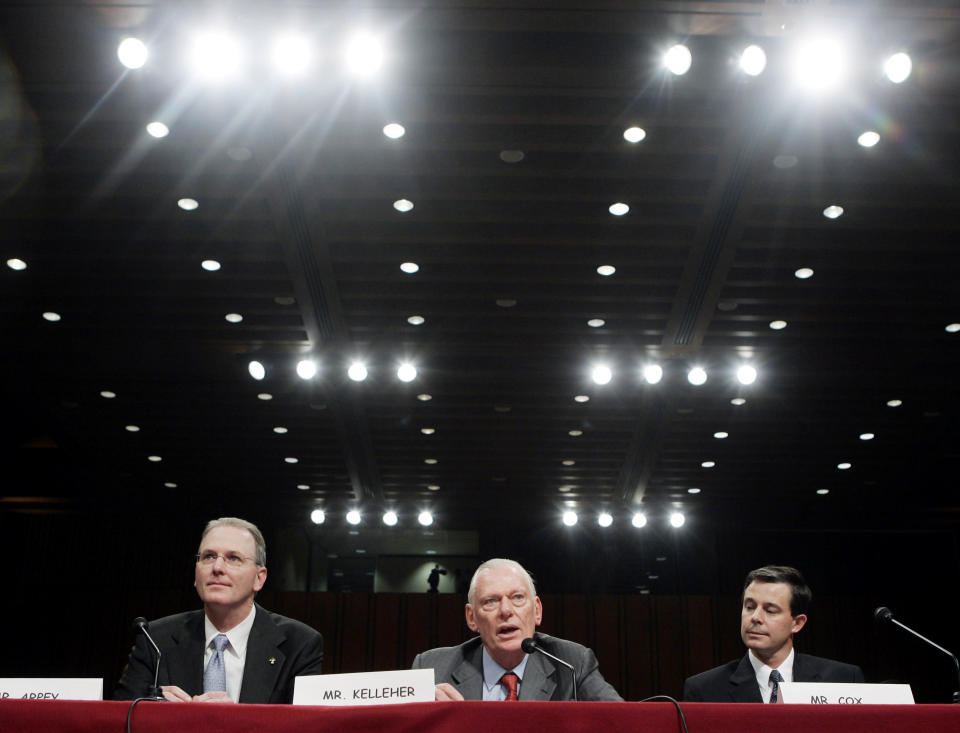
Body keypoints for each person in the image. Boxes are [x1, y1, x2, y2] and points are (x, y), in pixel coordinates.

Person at [114, 517, 323, 703]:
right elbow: (121, 719)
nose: (217, 567)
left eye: (233, 558)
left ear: (259, 578)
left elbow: (303, 726)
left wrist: (232, 722)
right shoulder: (155, 639)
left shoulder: (299, 644)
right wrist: (165, 717)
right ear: (196, 574)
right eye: (209, 557)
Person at [411, 558, 622, 701]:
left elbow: (623, 722)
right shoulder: (432, 668)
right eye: (491, 601)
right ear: (472, 617)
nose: (505, 610)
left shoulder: (572, 664)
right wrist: (421, 711)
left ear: (537, 610)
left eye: (518, 598)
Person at [683, 565, 864, 702]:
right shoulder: (704, 690)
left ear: (797, 623)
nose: (755, 617)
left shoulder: (844, 679)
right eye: (750, 607)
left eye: (770, 610)